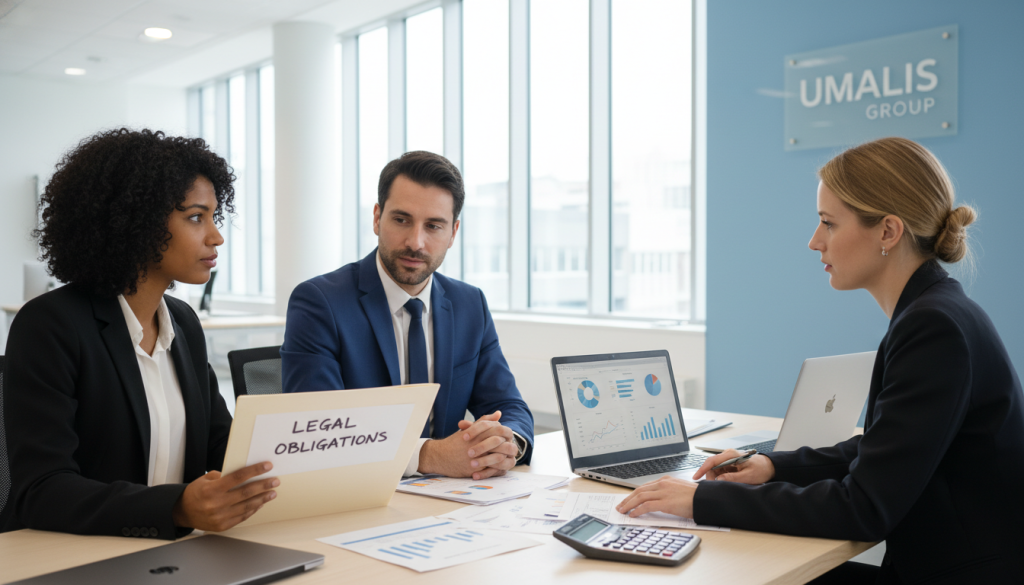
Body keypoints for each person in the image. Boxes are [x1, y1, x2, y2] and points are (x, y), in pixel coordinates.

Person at [617, 137, 1024, 583]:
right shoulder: (938, 309)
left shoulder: (933, 328)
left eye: (828, 224)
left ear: (888, 232)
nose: (814, 242)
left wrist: (698, 501)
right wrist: (773, 466)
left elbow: (864, 508)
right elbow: (889, 448)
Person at [0, 129, 278, 539]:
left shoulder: (182, 323)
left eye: (214, 217)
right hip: (71, 555)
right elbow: (42, 489)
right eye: (196, 217)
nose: (216, 236)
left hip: (167, 555)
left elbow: (221, 443)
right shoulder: (50, 325)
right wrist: (178, 507)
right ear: (139, 222)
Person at [281, 150, 534, 480]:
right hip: (356, 493)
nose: (416, 242)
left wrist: (505, 445)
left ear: (453, 232)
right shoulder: (320, 302)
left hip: (449, 500)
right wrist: (429, 456)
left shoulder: (469, 303)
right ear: (377, 218)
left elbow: (510, 407)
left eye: (433, 226)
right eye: (401, 220)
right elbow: (320, 434)